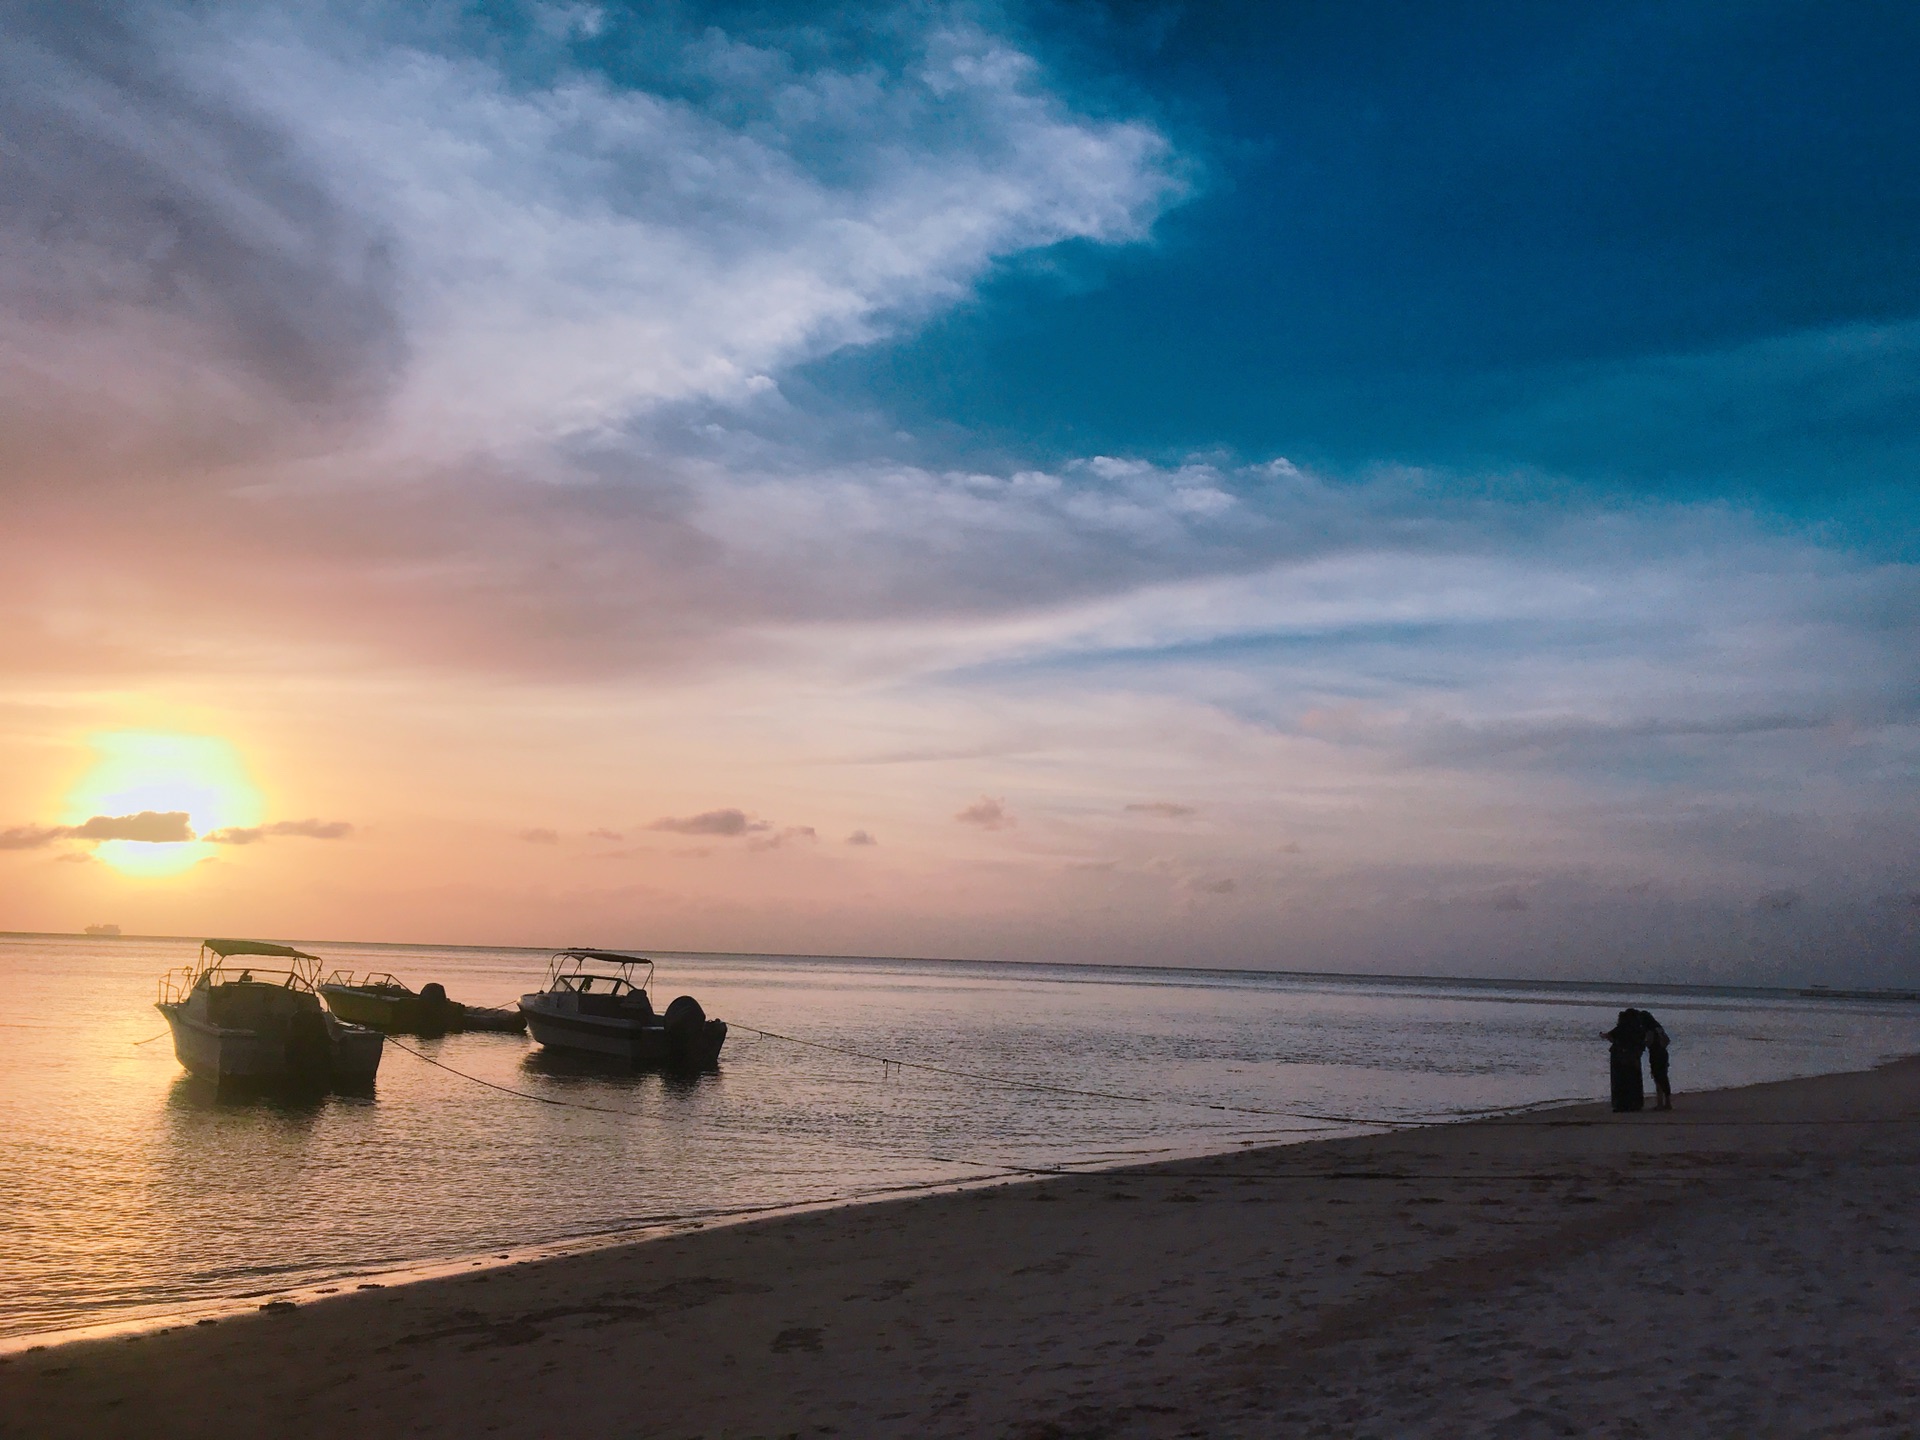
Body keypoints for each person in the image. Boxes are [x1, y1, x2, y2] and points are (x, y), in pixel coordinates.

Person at [1602, 1009, 1647, 1112]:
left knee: (1619, 1081)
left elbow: (1611, 1036)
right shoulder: (1638, 1029)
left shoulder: (1621, 1028)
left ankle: (1621, 1104)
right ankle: (1635, 1103)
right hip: (1633, 1057)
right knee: (1634, 1081)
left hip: (1619, 1057)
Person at [1642, 1009, 1672, 1110]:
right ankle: (1667, 1102)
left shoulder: (1650, 1030)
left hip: (1655, 1054)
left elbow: (1649, 1042)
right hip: (1663, 1053)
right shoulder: (1659, 1028)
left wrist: (1643, 1043)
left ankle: (1660, 1103)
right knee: (1664, 1077)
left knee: (1657, 1078)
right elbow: (1667, 1040)